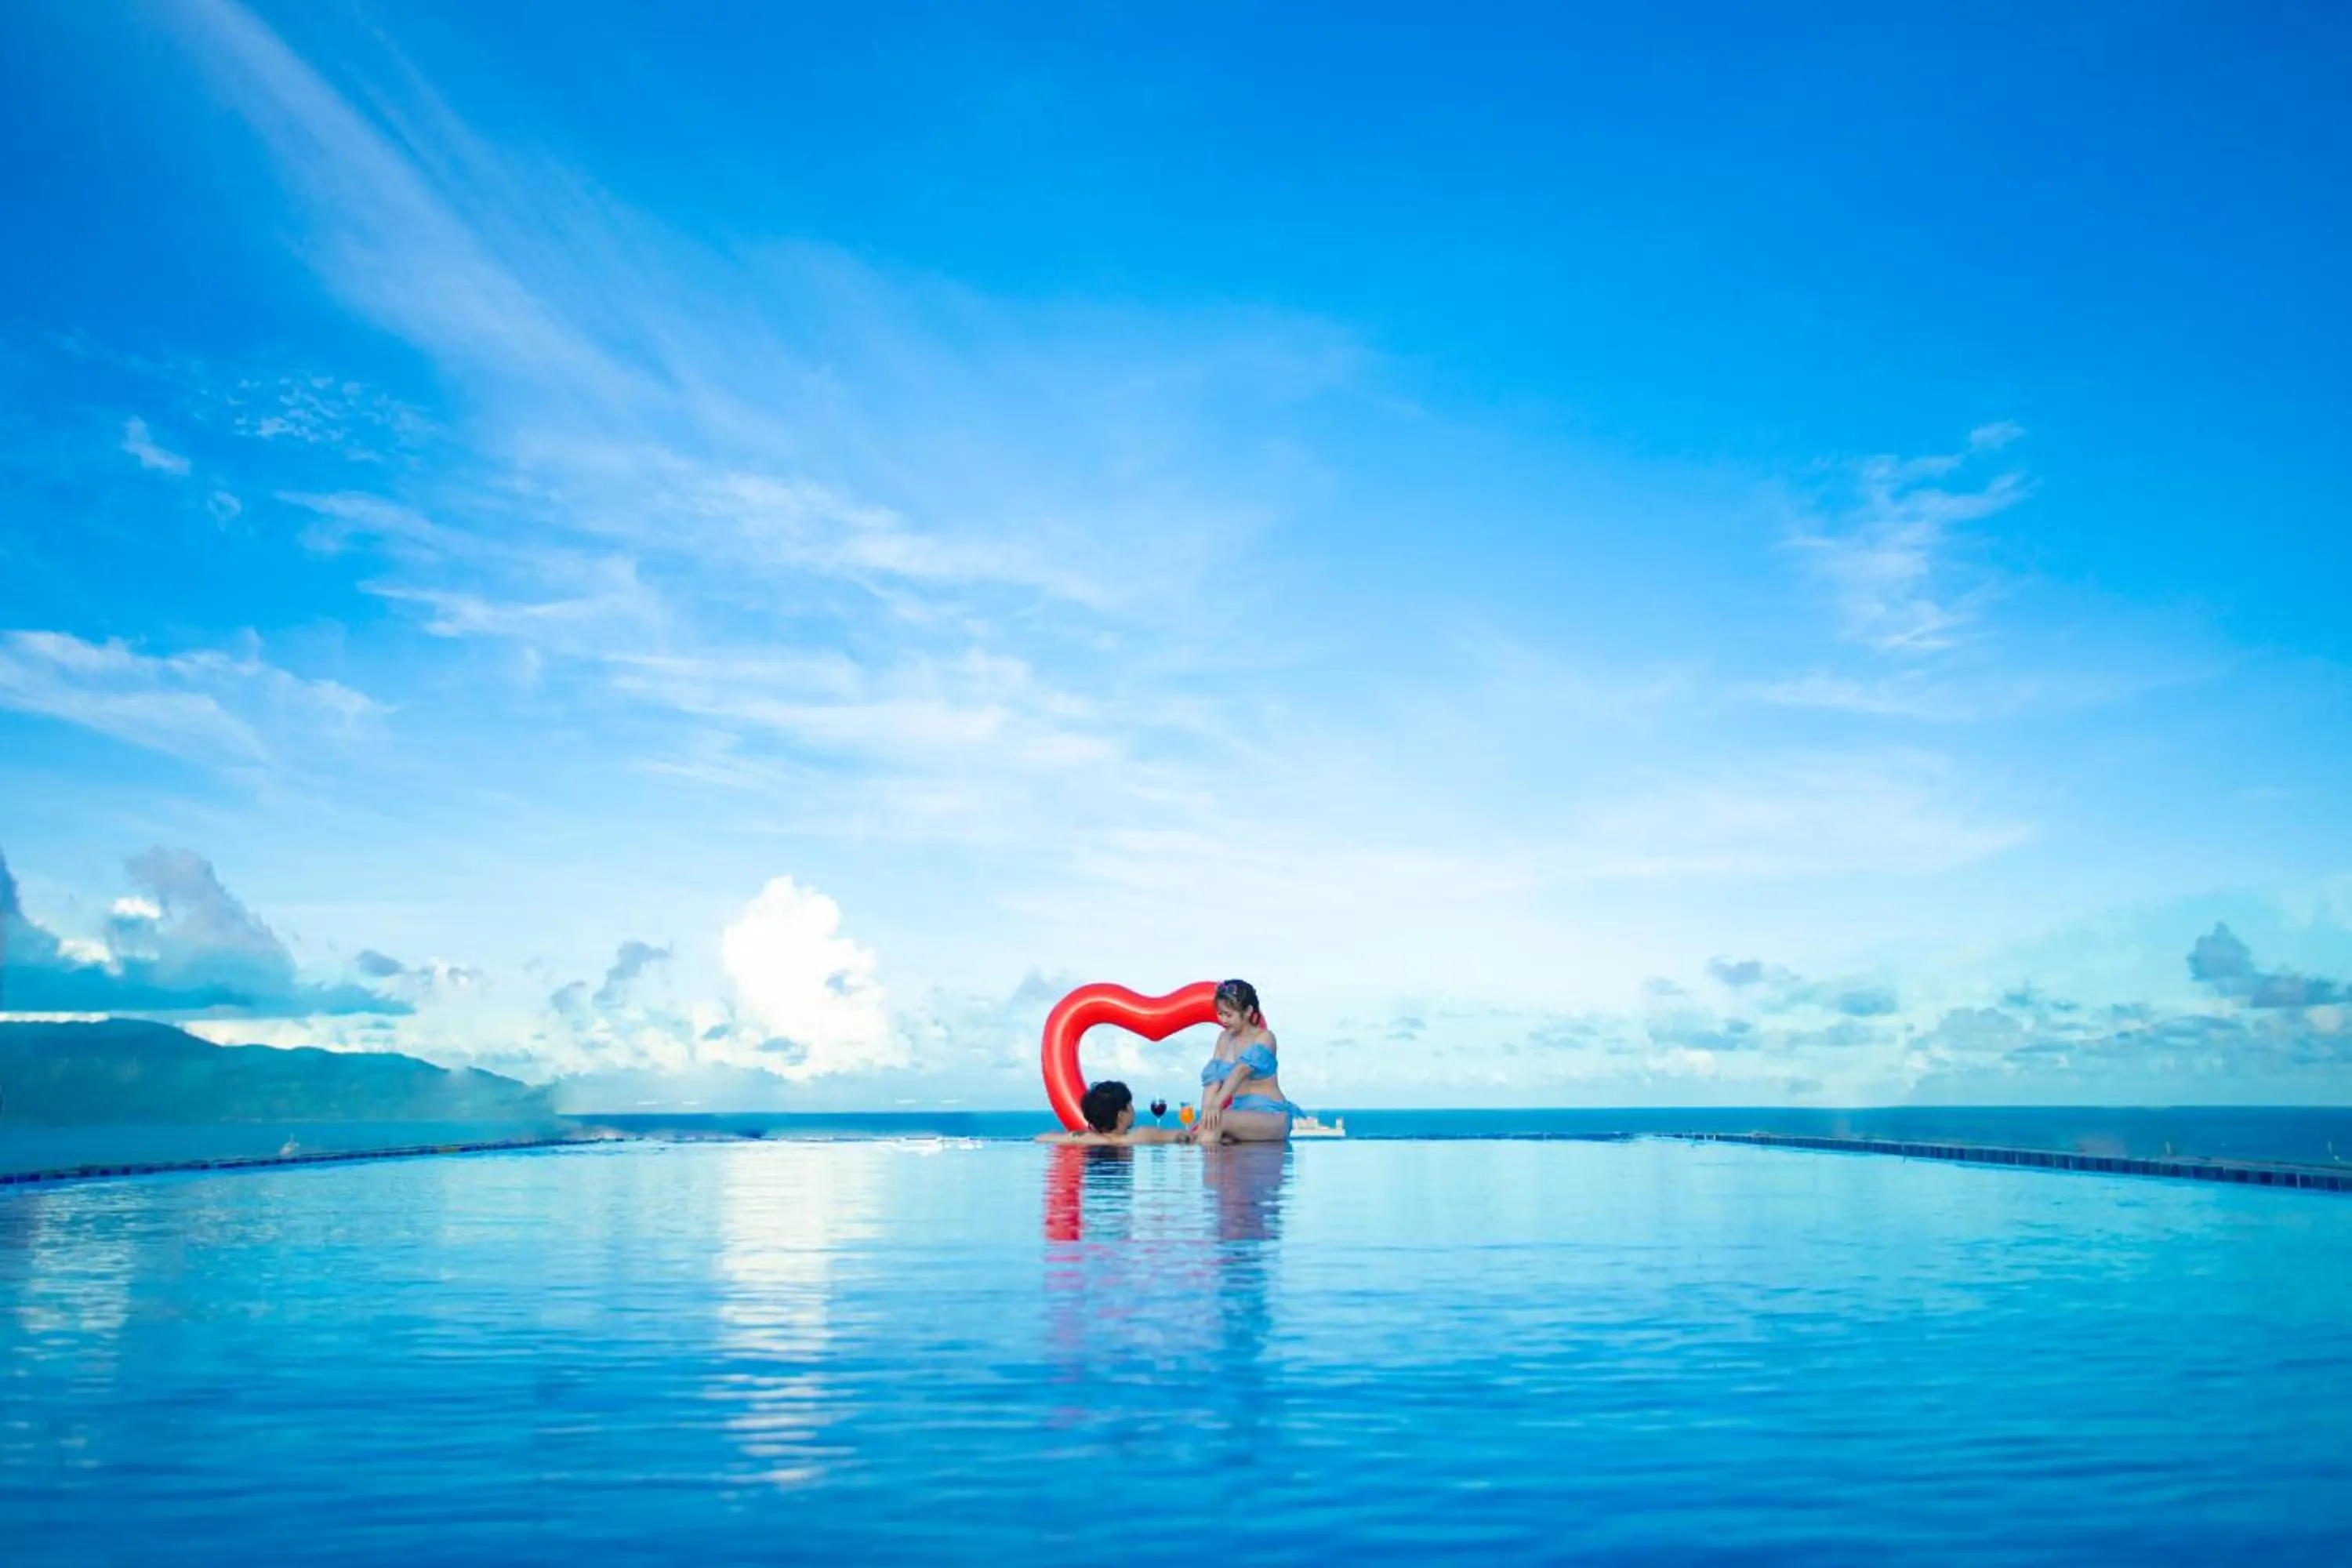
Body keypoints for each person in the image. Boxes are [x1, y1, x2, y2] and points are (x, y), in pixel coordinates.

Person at [1192, 978, 1301, 1144]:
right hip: (1239, 1113)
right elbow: (1212, 1082)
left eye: (1229, 1015)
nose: (1223, 1020)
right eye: (1220, 1013)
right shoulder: (1223, 1039)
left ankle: (1206, 1170)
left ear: (1248, 1011)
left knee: (1218, 1120)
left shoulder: (1265, 1038)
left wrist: (1216, 1105)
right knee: (1204, 1127)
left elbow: (1240, 1070)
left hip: (1271, 1114)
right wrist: (1206, 1112)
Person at [1034, 1080, 1192, 1145]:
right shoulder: (1141, 1135)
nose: (1133, 1108)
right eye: (1129, 1104)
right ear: (1121, 1115)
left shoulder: (1086, 1138)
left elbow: (1040, 1138)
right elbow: (1183, 1135)